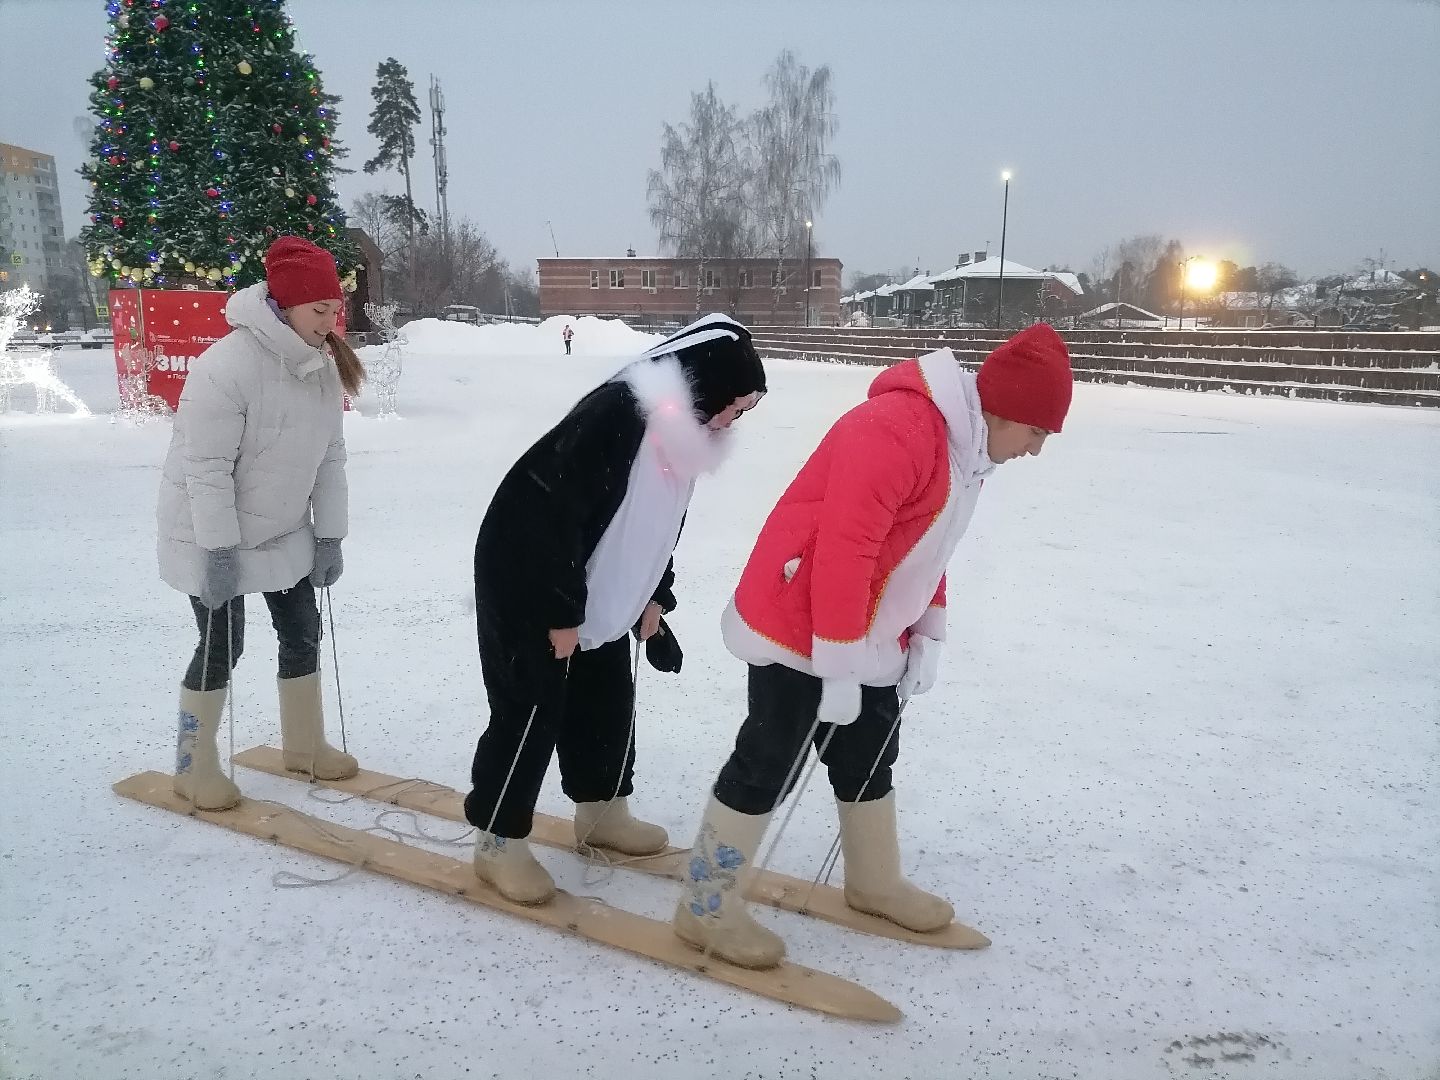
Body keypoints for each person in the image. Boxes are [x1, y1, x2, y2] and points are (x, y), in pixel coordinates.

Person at [673, 324, 1074, 968]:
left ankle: (873, 881)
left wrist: (928, 629)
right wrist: (837, 665)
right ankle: (705, 906)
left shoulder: (967, 449)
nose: (1036, 448)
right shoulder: (898, 430)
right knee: (769, 759)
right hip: (799, 621)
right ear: (1008, 412)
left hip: (869, 631)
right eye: (1037, 432)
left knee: (869, 750)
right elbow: (844, 548)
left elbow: (925, 545)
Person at [465, 314, 767, 904]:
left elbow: (656, 528)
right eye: (735, 405)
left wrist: (654, 594)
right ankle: (497, 841)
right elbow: (549, 509)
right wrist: (558, 612)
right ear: (704, 386)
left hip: (598, 593)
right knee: (530, 711)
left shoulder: (683, 436)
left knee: (605, 701)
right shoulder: (617, 415)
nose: (735, 420)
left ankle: (601, 812)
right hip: (530, 579)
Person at [158, 236, 366, 811]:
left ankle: (304, 745)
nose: (330, 320)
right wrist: (218, 551)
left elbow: (331, 459)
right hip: (209, 530)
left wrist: (330, 535)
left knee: (301, 632)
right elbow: (206, 468)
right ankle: (191, 766)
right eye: (320, 309)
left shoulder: (321, 367)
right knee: (224, 645)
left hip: (282, 532)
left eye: (334, 309)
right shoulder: (227, 366)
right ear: (286, 305)